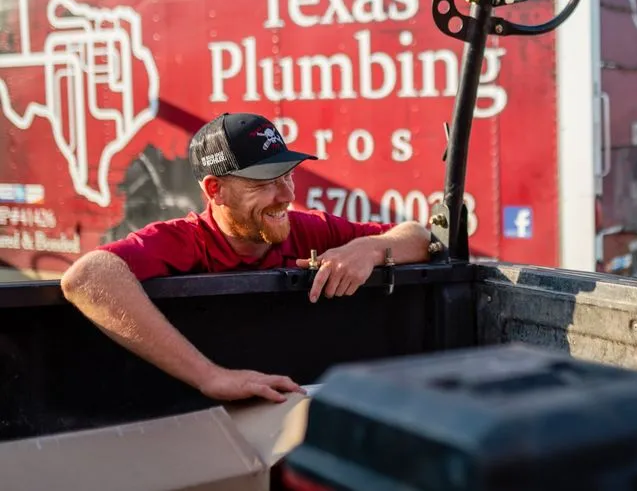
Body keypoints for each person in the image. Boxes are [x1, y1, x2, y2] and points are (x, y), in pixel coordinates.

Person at [61, 112, 431, 403]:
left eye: (288, 176)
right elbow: (87, 276)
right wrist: (211, 376)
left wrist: (367, 250)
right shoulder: (185, 239)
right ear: (215, 189)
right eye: (265, 183)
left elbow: (419, 236)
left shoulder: (308, 228)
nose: (286, 195)